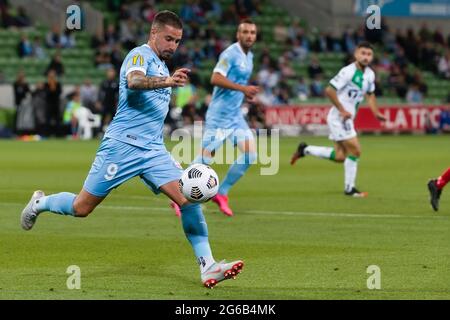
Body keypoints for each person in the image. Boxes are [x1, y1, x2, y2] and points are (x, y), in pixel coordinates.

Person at [20, 11, 243, 289]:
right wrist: (168, 82)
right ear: (153, 33)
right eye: (168, 38)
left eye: (177, 41)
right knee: (82, 207)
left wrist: (168, 78)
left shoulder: (163, 66)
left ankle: (208, 266)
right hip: (122, 146)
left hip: (152, 150)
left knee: (188, 200)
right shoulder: (140, 55)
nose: (173, 46)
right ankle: (40, 203)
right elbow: (134, 82)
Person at [173, 19, 259, 217]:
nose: (249, 36)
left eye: (252, 33)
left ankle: (222, 193)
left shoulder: (250, 56)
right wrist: (243, 89)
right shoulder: (230, 54)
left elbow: (237, 82)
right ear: (238, 35)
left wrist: (244, 93)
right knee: (205, 158)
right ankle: (178, 195)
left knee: (250, 155)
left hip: (235, 115)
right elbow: (215, 78)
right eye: (245, 32)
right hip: (220, 115)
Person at [291, 42, 386, 197]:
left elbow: (370, 94)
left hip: (347, 118)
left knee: (341, 156)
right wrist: (342, 110)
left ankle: (305, 149)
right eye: (363, 53)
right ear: (356, 54)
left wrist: (376, 112)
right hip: (339, 118)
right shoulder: (348, 72)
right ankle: (350, 189)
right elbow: (329, 90)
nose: (366, 57)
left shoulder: (370, 74)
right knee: (355, 150)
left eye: (369, 54)